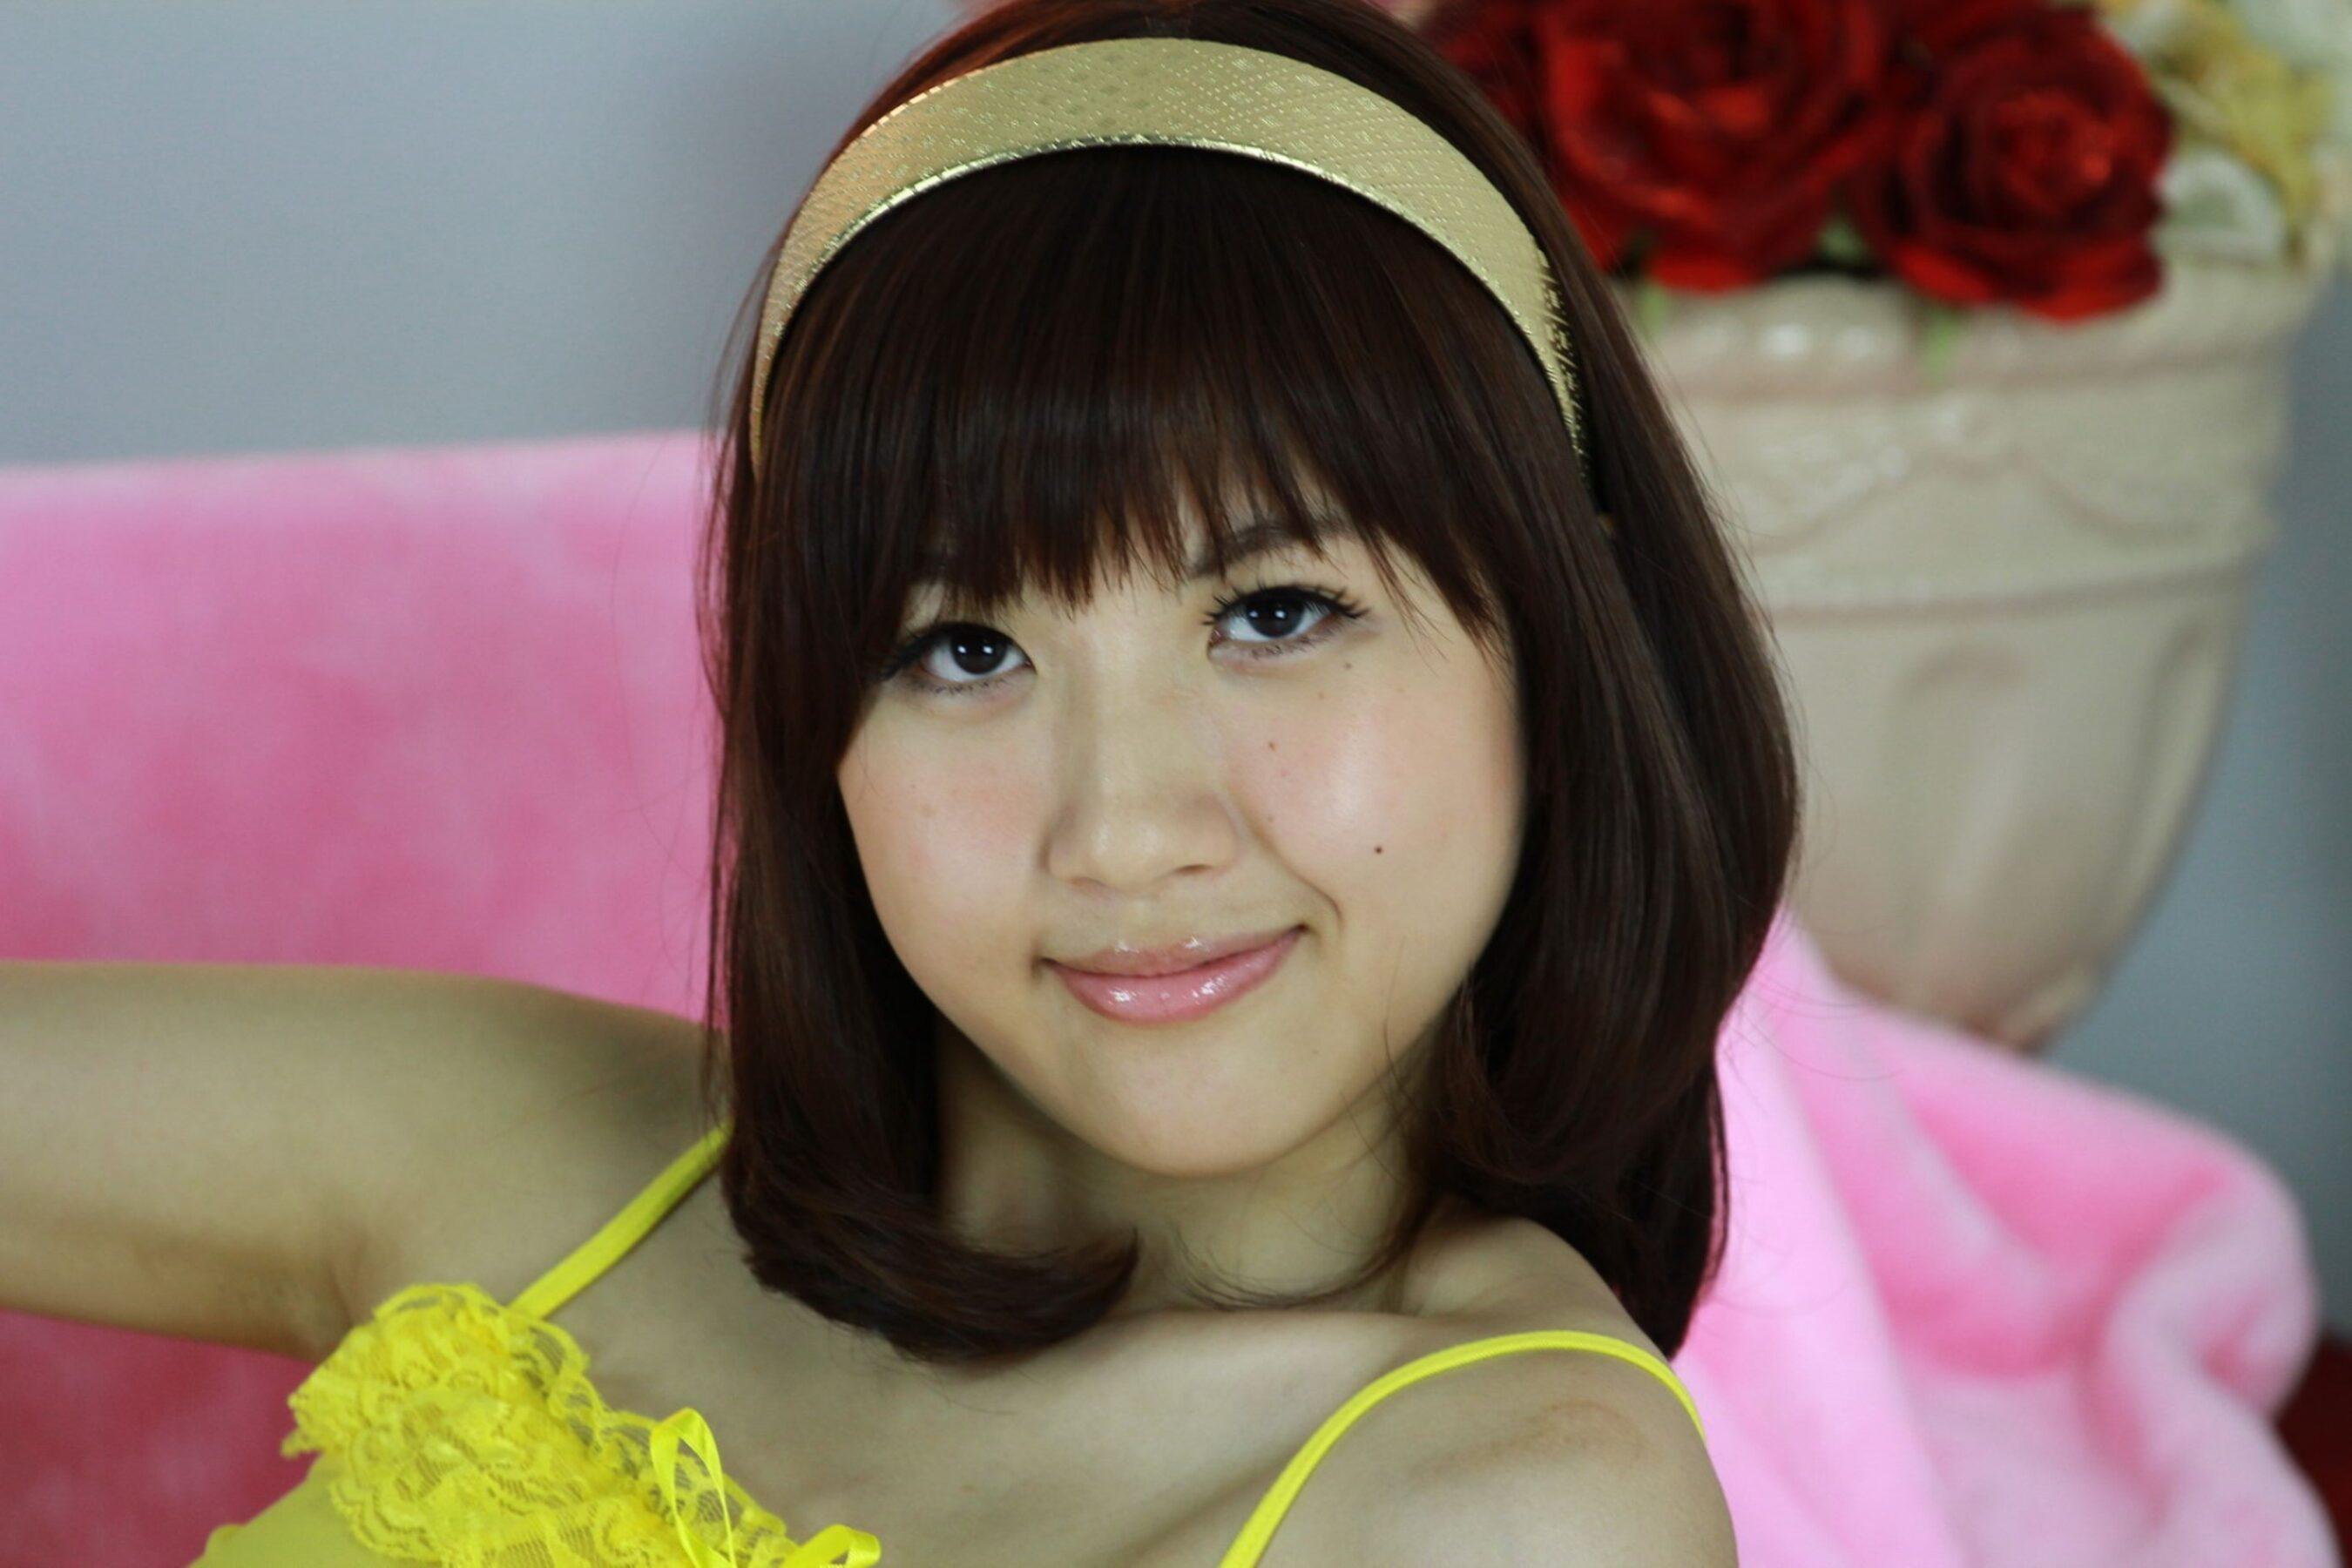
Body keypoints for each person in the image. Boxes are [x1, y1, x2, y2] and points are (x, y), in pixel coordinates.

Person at [3, 0, 1797, 1562]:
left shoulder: (1514, 1504)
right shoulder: (521, 1152)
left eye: (1275, 612)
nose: (1124, 831)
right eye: (963, 650)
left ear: (1564, 639)